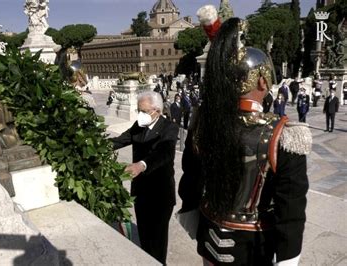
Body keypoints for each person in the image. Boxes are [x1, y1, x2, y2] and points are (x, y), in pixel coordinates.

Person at [178, 15, 311, 265]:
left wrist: (194, 218)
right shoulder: (284, 134)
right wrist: (288, 258)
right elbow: (290, 208)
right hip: (252, 246)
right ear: (263, 81)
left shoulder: (203, 122)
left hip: (209, 233)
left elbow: (190, 179)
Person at [111, 91, 178, 264]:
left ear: (157, 110)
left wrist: (141, 165)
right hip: (141, 193)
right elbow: (120, 140)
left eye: (144, 111)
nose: (140, 114)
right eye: (138, 110)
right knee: (145, 237)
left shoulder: (169, 127)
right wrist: (96, 146)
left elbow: (164, 153)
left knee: (157, 241)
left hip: (160, 195)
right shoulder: (138, 125)